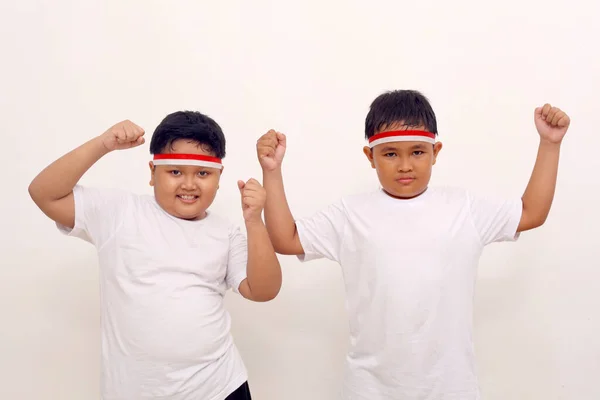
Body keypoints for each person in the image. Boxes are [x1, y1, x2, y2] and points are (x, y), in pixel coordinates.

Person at [257, 90, 570, 399]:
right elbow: (287, 239)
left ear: (436, 151)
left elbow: (531, 212)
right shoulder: (349, 214)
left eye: (417, 152)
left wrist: (549, 144)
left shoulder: (464, 208)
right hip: (369, 389)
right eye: (391, 153)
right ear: (371, 157)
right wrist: (272, 171)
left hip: (451, 388)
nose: (405, 165)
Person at [28, 111, 282, 400]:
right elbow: (43, 193)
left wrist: (254, 221)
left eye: (202, 173)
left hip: (218, 388)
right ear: (152, 173)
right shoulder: (119, 213)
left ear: (218, 176)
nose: (189, 184)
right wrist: (103, 144)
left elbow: (263, 291)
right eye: (175, 172)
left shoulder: (225, 232)